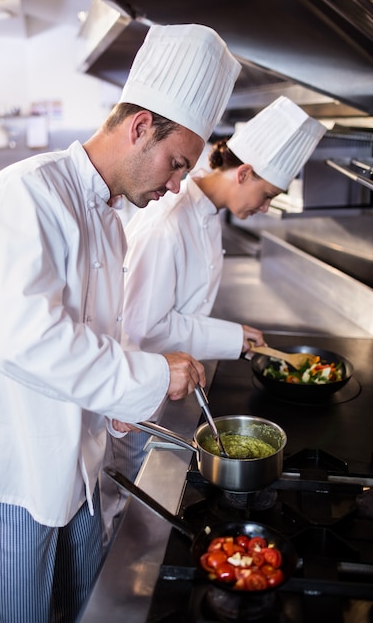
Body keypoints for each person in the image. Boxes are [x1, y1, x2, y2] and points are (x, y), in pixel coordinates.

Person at [0, 24, 241, 623]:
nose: (173, 186)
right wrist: (150, 375)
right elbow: (27, 342)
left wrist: (121, 401)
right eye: (175, 165)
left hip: (86, 470)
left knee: (73, 612)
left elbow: (95, 338)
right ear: (140, 126)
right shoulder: (25, 194)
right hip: (17, 474)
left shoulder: (111, 220)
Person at [101, 96, 327, 540]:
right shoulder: (168, 222)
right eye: (266, 196)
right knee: (128, 521)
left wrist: (235, 334)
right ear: (243, 173)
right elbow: (144, 326)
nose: (264, 209)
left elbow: (180, 310)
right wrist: (231, 339)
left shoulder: (204, 213)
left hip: (169, 386)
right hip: (139, 401)